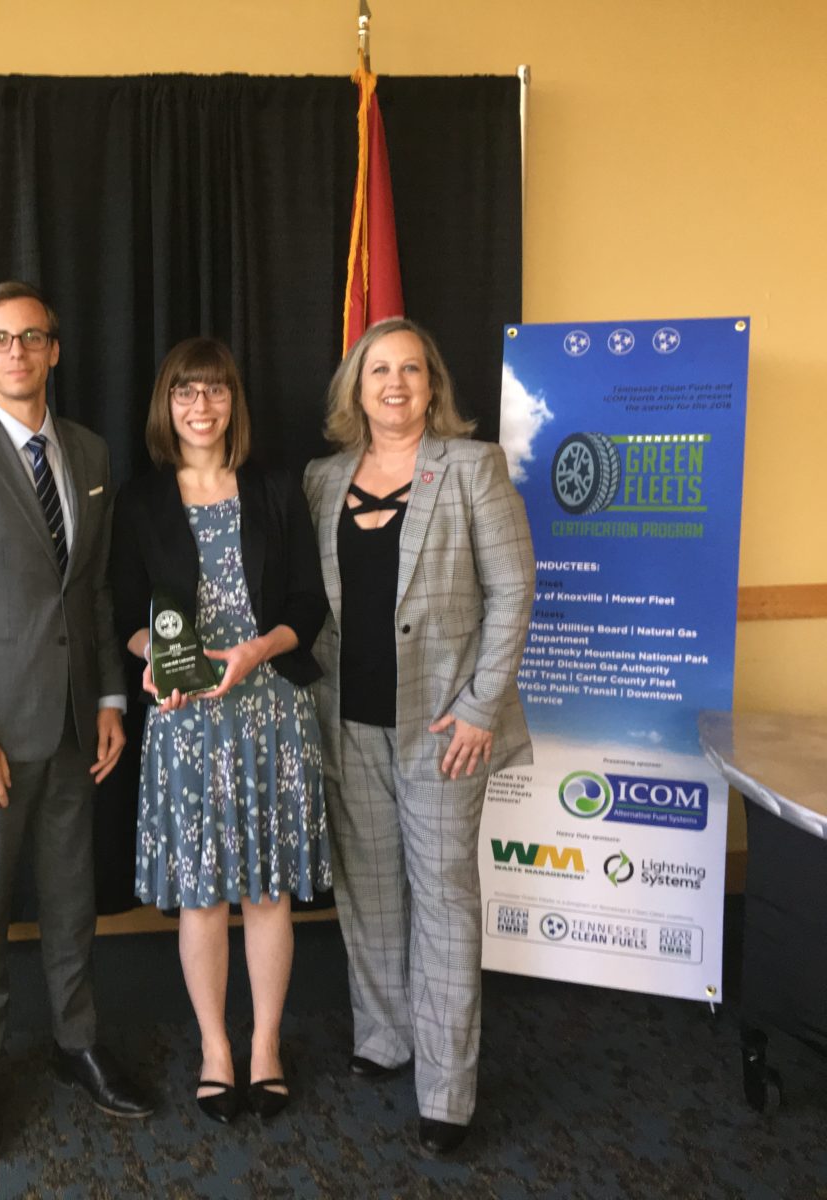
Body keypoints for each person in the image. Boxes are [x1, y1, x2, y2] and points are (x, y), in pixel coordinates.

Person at [0, 280, 153, 1160]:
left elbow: (88, 593)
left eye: (32, 338)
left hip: (76, 726)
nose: (17, 353)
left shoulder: (87, 450)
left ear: (54, 349)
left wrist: (113, 698)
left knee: (71, 900)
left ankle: (76, 1042)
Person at [303, 317, 535, 1157]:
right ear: (354, 392)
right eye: (377, 373)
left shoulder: (473, 468)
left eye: (409, 370)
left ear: (432, 385)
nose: (393, 384)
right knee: (367, 888)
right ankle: (385, 1040)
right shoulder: (322, 481)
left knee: (442, 897)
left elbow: (514, 593)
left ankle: (446, 1087)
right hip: (347, 716)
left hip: (443, 727)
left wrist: (480, 707)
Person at [109, 337, 331, 1125]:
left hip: (271, 709)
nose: (200, 406)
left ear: (234, 401)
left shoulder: (275, 489)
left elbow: (307, 604)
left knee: (267, 894)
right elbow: (126, 616)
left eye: (214, 391)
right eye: (184, 392)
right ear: (166, 407)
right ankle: (216, 1048)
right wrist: (154, 662)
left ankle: (266, 1043)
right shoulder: (140, 501)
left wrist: (260, 647)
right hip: (185, 720)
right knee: (202, 898)